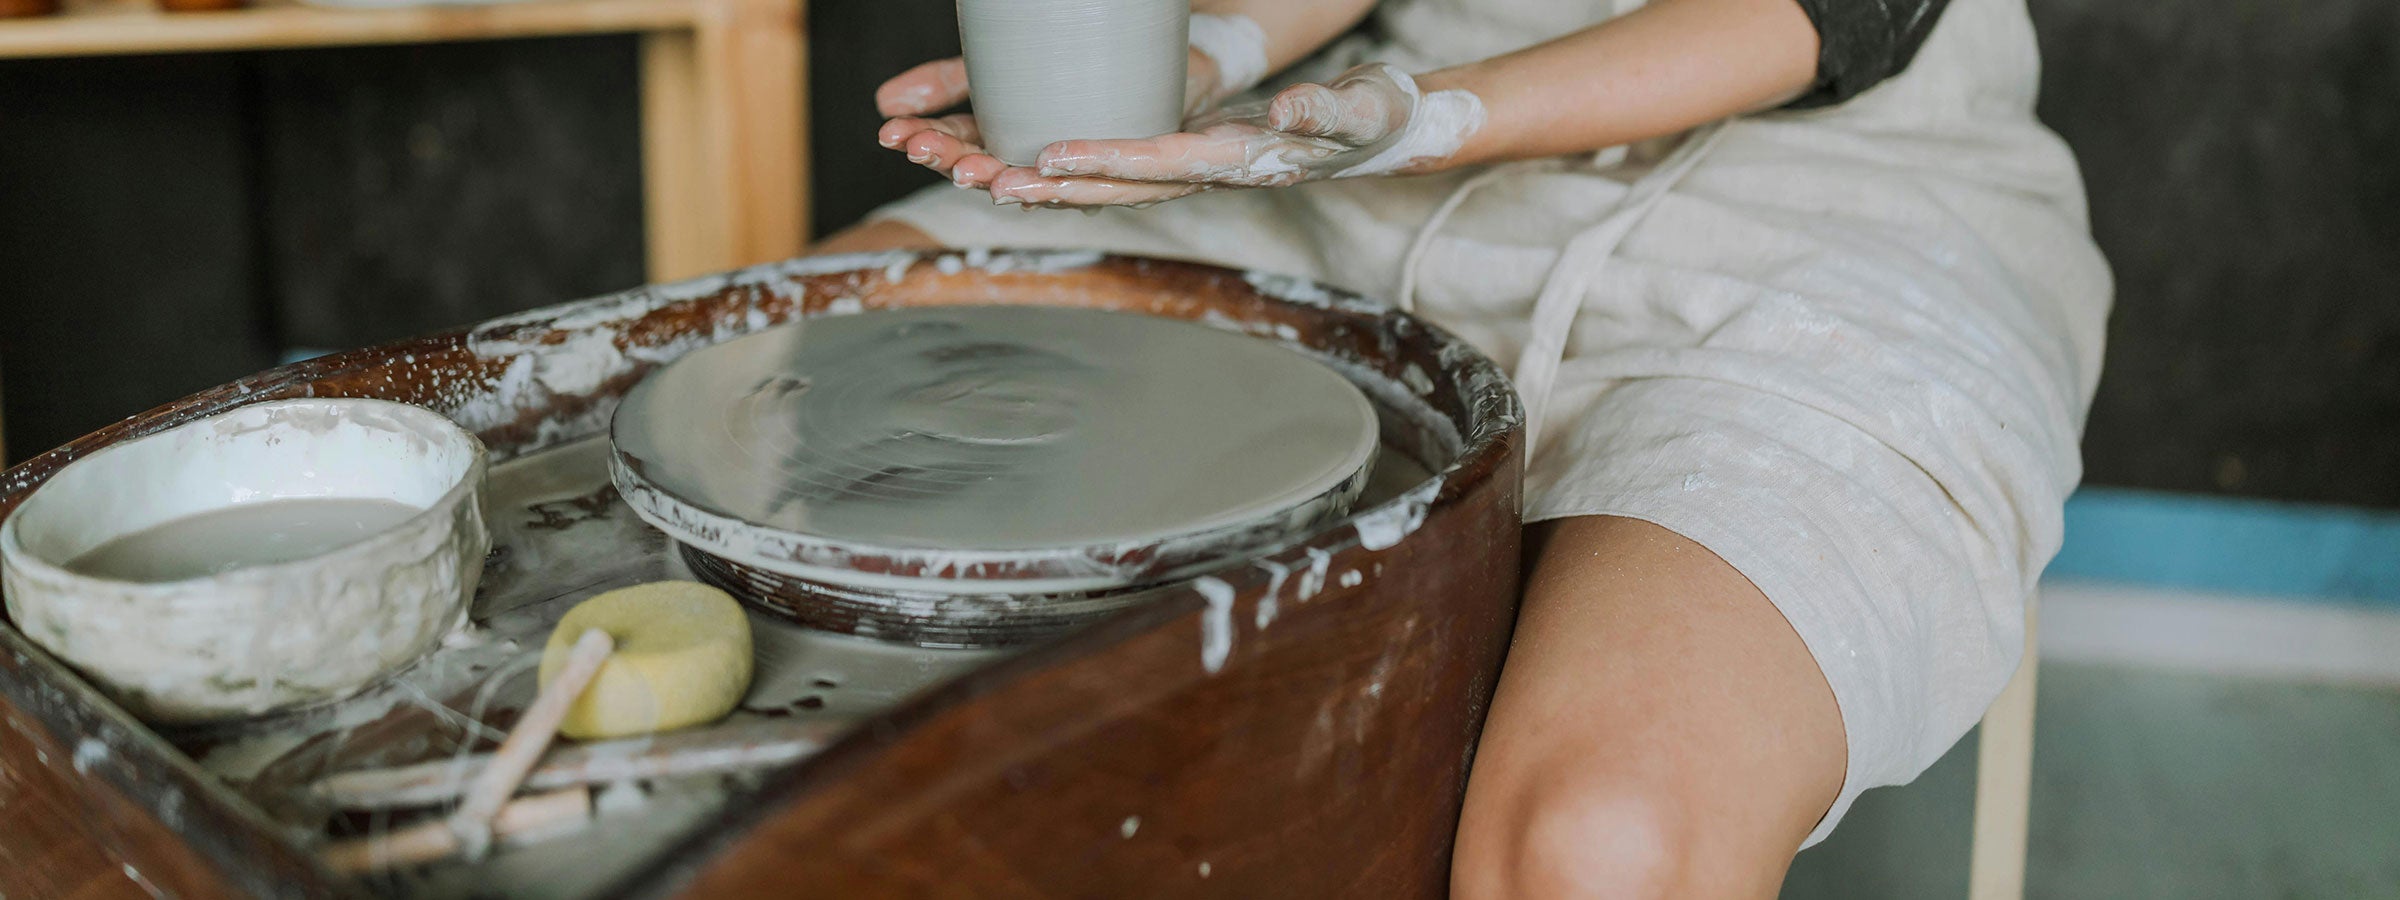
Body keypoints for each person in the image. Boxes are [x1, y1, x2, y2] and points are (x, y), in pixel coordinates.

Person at [817, 0, 2112, 891]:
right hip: (1348, 170)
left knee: (1600, 848)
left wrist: (1415, 114)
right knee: (799, 357)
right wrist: (1210, 55)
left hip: (1811, 212)